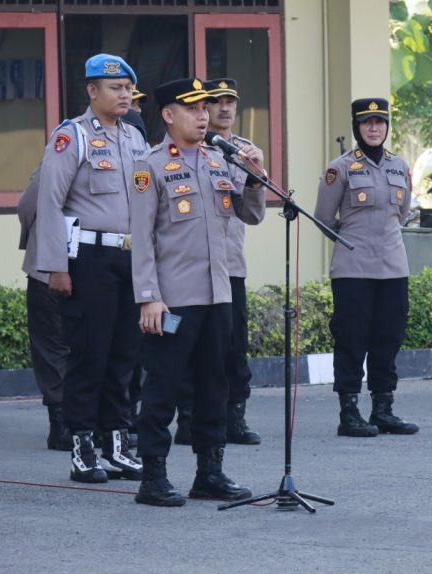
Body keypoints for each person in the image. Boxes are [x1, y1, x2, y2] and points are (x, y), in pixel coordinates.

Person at [130, 77, 266, 507]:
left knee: (214, 386)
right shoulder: (149, 166)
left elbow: (251, 215)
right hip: (172, 299)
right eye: (193, 108)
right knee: (163, 388)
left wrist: (255, 178)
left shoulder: (217, 160)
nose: (204, 114)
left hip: (217, 295)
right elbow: (142, 238)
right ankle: (153, 476)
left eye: (206, 107)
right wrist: (149, 296)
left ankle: (209, 472)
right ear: (169, 115)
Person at [35, 53, 148, 483]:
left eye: (127, 89)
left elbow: (145, 201)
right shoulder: (72, 137)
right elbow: (49, 202)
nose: (124, 96)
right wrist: (55, 267)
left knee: (125, 358)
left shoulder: (135, 138)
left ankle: (117, 444)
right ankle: (82, 445)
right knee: (89, 356)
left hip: (129, 257)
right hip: (89, 259)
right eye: (115, 88)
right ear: (92, 91)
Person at [314, 98, 419, 438]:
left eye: (380, 121)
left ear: (387, 126)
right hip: (353, 268)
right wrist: (354, 243)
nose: (374, 128)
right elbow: (324, 219)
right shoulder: (340, 168)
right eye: (366, 122)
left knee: (388, 338)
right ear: (356, 127)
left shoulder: (399, 166)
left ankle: (383, 408)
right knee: (351, 339)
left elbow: (400, 215)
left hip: (393, 266)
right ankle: (349, 412)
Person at [172, 78, 264, 446]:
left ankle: (234, 417)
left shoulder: (244, 151)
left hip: (230, 265)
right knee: (188, 346)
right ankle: (189, 417)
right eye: (216, 102)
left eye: (231, 102)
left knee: (232, 346)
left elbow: (252, 214)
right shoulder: (182, 151)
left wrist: (257, 180)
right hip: (188, 267)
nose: (224, 108)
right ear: (201, 108)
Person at [17, 165, 70, 451]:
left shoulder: (57, 156)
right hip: (85, 270)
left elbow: (27, 206)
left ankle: (62, 423)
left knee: (52, 346)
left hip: (45, 268)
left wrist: (32, 238)